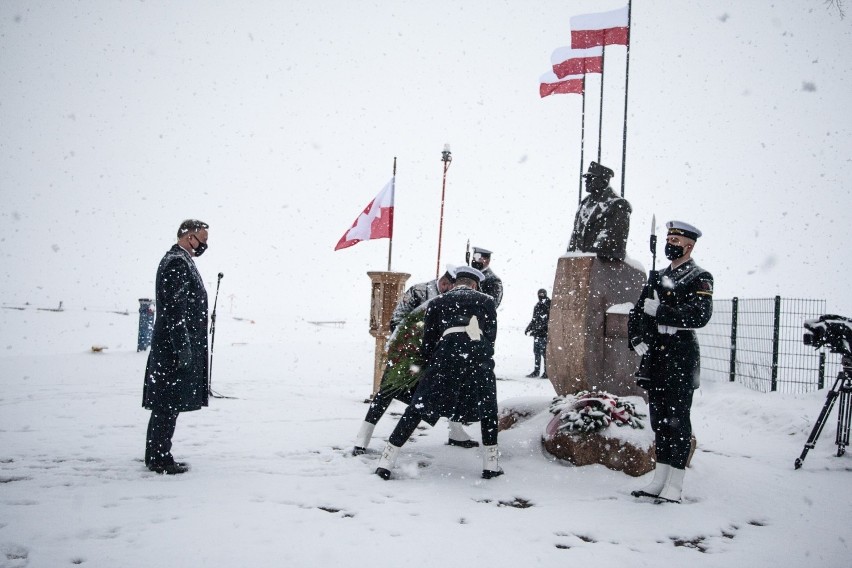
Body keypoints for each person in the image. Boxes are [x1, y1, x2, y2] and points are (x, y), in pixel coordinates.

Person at [373, 265, 502, 480]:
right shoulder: (486, 301)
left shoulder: (437, 302)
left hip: (446, 356)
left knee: (417, 408)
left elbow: (428, 342)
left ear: (454, 284)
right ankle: (491, 465)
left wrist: (434, 362)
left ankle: (386, 460)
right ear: (475, 285)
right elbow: (491, 335)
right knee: (488, 409)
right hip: (479, 358)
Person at [629, 220, 713, 503]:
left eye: (676, 240)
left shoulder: (699, 277)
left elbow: (700, 315)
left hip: (680, 356)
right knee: (659, 420)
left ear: (689, 246)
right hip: (656, 358)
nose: (670, 244)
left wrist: (663, 311)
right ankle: (659, 478)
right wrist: (636, 337)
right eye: (668, 239)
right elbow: (637, 312)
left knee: (677, 420)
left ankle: (675, 483)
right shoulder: (656, 276)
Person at [352, 268, 478, 455]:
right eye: (450, 286)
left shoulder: (452, 298)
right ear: (445, 282)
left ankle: (456, 433)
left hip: (433, 356)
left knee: (451, 390)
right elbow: (397, 319)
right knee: (386, 393)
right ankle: (363, 438)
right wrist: (417, 339)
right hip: (405, 355)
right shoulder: (419, 291)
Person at [142, 219, 211, 475]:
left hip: (172, 347)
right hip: (171, 350)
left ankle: (157, 452)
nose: (204, 245)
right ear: (189, 236)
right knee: (167, 405)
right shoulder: (176, 263)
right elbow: (175, 312)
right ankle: (159, 458)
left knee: (167, 405)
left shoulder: (180, 260)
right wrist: (183, 348)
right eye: (202, 240)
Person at [567, 161, 632, 261]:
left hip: (603, 265)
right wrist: (570, 257)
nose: (586, 181)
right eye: (586, 178)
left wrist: (592, 256)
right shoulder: (584, 203)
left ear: (603, 181)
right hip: (581, 265)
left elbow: (612, 240)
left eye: (591, 178)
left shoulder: (618, 205)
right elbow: (575, 235)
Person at [524, 288, 551, 378]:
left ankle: (547, 372)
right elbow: (534, 319)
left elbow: (550, 320)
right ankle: (536, 371)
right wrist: (528, 328)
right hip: (537, 334)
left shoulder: (549, 304)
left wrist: (543, 328)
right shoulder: (537, 305)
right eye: (540, 294)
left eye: (543, 294)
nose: (541, 295)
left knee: (545, 354)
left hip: (545, 334)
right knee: (537, 353)